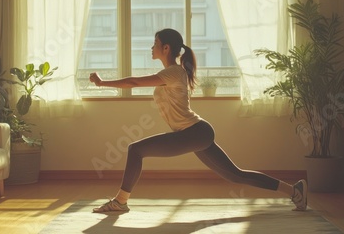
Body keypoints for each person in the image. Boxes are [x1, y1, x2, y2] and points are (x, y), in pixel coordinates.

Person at [89, 28, 307, 213]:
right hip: (196, 133)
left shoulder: (174, 72)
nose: (151, 47)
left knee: (136, 149)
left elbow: (135, 82)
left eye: (155, 43)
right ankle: (294, 190)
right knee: (235, 175)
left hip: (194, 133)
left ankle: (120, 201)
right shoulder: (172, 73)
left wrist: (102, 83)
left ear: (166, 48)